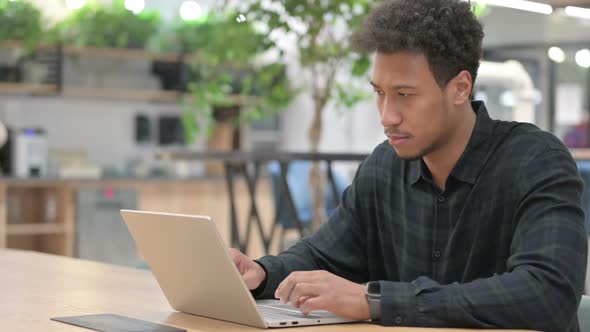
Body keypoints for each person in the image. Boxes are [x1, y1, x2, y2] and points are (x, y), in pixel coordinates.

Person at [229, 0, 587, 331]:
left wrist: (375, 301)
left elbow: (547, 294)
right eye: (379, 93)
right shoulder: (384, 166)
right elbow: (324, 254)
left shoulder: (536, 161)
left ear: (460, 88)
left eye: (405, 94)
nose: (387, 116)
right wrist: (261, 273)